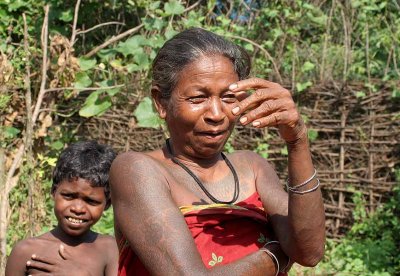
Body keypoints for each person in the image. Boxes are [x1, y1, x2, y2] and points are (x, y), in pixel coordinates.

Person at [111, 27, 325, 276]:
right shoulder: (137, 170)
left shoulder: (252, 167)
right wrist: (275, 255)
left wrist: (297, 140)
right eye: (198, 98)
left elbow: (309, 252)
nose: (216, 114)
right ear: (161, 102)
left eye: (228, 97)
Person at [5, 140, 119, 276]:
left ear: (107, 204)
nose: (78, 208)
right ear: (54, 191)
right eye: (69, 196)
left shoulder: (109, 249)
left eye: (91, 201)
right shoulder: (25, 251)